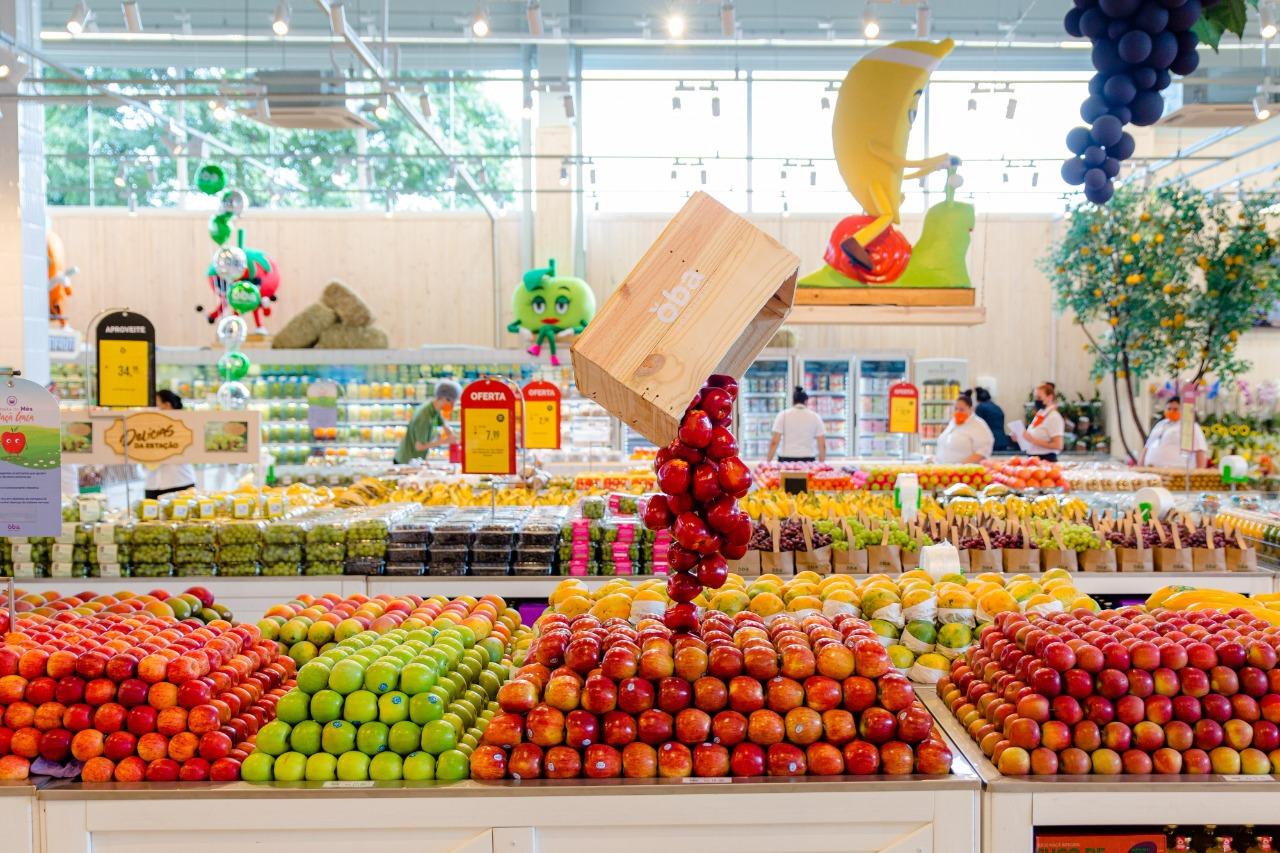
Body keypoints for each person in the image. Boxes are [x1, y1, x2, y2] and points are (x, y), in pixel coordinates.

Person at [144, 390, 197, 499]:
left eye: (157, 404)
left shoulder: (185, 424)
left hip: (179, 482)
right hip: (153, 484)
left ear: (167, 405)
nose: (154, 408)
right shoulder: (150, 425)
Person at [394, 380, 461, 464]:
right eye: (452, 402)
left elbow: (444, 424)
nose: (452, 406)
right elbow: (419, 447)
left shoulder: (433, 408)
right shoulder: (424, 417)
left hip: (415, 460)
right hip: (406, 462)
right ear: (445, 399)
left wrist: (451, 434)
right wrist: (444, 441)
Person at [1139, 396, 1208, 469]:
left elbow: (1200, 450)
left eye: (1175, 409)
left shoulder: (1190, 426)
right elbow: (1147, 446)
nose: (1171, 411)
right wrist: (1140, 466)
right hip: (1152, 470)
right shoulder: (1160, 424)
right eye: (1169, 409)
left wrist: (1200, 472)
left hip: (1178, 472)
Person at [766, 387, 826, 463]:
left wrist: (768, 462)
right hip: (808, 460)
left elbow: (774, 442)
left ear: (793, 401)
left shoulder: (783, 415)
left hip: (786, 460)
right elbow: (822, 445)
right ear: (806, 401)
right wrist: (821, 463)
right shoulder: (815, 417)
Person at [934, 392, 995, 464]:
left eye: (961, 409)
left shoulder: (978, 425)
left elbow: (983, 451)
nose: (957, 412)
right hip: (945, 469)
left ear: (971, 409)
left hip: (965, 472)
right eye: (955, 409)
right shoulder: (953, 422)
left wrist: (961, 466)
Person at [1023, 381, 1065, 462]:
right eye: (1035, 398)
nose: (1036, 401)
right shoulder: (1041, 414)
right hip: (1033, 458)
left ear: (1050, 397)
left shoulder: (1054, 417)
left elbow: (1058, 445)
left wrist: (1033, 440)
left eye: (1039, 398)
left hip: (1046, 459)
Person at [972, 387, 1011, 452]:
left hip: (991, 441)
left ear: (977, 399)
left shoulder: (980, 407)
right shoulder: (997, 407)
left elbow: (976, 424)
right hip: (1002, 441)